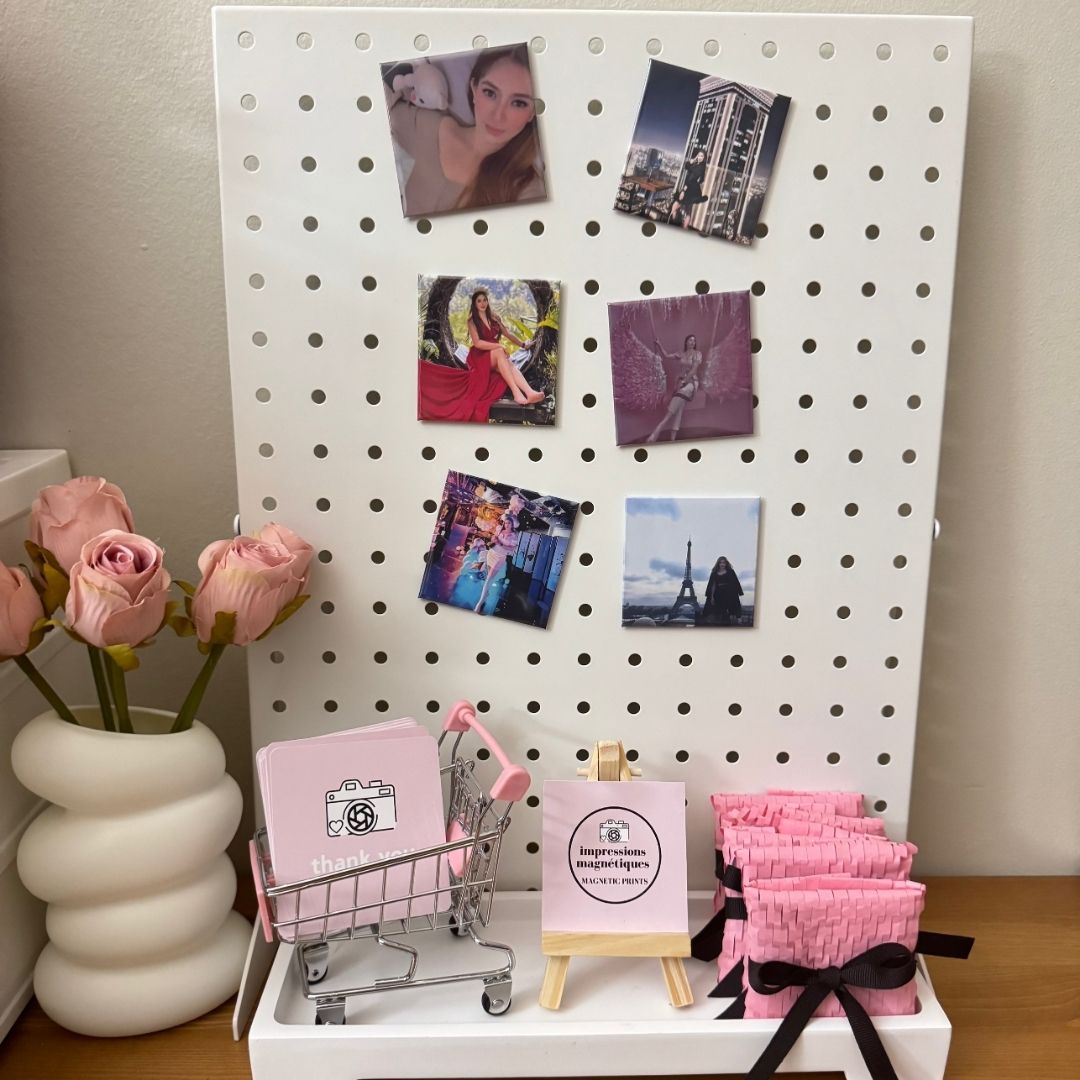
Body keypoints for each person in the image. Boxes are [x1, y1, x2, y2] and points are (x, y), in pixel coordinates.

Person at [387, 45, 546, 216]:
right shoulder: (430, 127)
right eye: (490, 93)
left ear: (532, 113)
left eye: (518, 103)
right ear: (474, 89)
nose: (498, 116)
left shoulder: (527, 188)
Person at [418, 289, 543, 421]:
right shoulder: (472, 321)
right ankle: (517, 392)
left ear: (488, 301)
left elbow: (507, 334)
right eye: (479, 301)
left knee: (509, 364)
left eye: (484, 300)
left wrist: (523, 345)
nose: (482, 303)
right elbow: (477, 343)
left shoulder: (495, 317)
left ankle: (529, 393)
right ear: (475, 304)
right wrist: (498, 345)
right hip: (480, 356)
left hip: (496, 355)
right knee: (501, 353)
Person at [645, 334, 703, 442]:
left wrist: (685, 382)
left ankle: (658, 429)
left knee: (682, 392)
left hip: (691, 383)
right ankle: (673, 439)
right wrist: (659, 344)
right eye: (690, 340)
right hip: (680, 382)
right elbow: (666, 355)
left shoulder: (697, 354)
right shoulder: (681, 354)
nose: (692, 342)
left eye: (694, 341)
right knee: (679, 408)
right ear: (686, 342)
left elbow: (694, 370)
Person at [474, 492, 524, 614]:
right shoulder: (500, 530)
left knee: (488, 580)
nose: (506, 524)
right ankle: (485, 596)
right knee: (486, 579)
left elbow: (512, 550)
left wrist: (500, 544)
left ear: (513, 524)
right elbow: (493, 540)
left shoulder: (514, 535)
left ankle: (479, 604)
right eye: (506, 522)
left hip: (499, 559)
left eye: (509, 523)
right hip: (491, 553)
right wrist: (494, 539)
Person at [670, 151, 708, 229]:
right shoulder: (697, 164)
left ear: (704, 158)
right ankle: (683, 226)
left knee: (678, 205)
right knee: (687, 209)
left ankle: (678, 224)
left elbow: (691, 179)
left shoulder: (700, 167)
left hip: (690, 189)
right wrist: (694, 159)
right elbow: (687, 166)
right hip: (690, 188)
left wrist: (683, 191)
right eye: (699, 155)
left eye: (702, 156)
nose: (700, 157)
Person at [702, 556, 743, 625]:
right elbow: (713, 585)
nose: (722, 564)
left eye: (724, 562)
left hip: (729, 592)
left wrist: (738, 592)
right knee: (719, 610)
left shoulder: (731, 572)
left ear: (726, 563)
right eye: (720, 563)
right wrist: (711, 596)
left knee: (734, 604)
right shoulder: (714, 573)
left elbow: (735, 582)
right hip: (719, 593)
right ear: (718, 564)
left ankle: (738, 619)